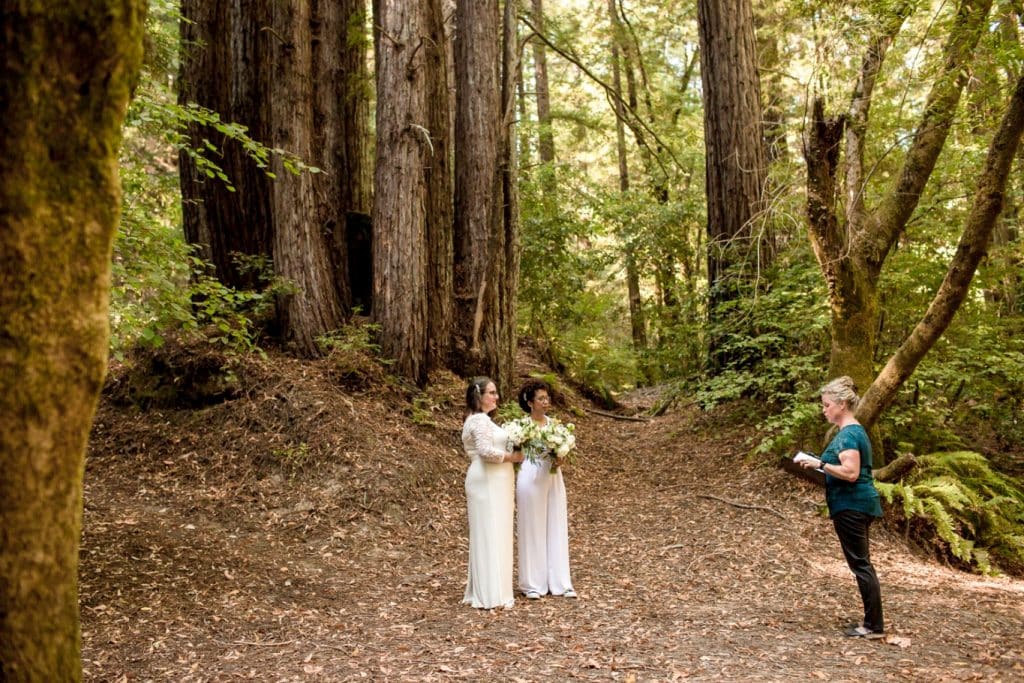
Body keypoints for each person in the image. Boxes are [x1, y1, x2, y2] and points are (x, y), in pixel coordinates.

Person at [799, 376, 885, 638]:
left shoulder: (849, 434)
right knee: (861, 563)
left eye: (827, 405)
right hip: (853, 503)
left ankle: (873, 626)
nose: (824, 410)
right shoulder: (851, 432)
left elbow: (850, 472)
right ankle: (872, 623)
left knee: (861, 564)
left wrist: (821, 465)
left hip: (852, 504)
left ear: (842, 404)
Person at [462, 377, 524, 609]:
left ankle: (496, 586)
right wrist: (514, 457)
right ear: (479, 396)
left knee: (498, 530)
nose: (496, 397)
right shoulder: (478, 419)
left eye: (496, 392)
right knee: (490, 531)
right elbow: (486, 452)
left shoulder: (485, 420)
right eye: (492, 393)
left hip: (497, 480)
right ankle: (490, 592)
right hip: (486, 479)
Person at [515, 379, 577, 600]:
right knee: (532, 527)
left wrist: (561, 458)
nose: (546, 402)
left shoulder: (555, 426)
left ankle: (560, 582)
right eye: (541, 398)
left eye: (547, 398)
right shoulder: (521, 427)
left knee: (555, 523)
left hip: (552, 477)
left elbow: (563, 452)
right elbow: (515, 453)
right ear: (530, 402)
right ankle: (532, 583)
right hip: (530, 476)